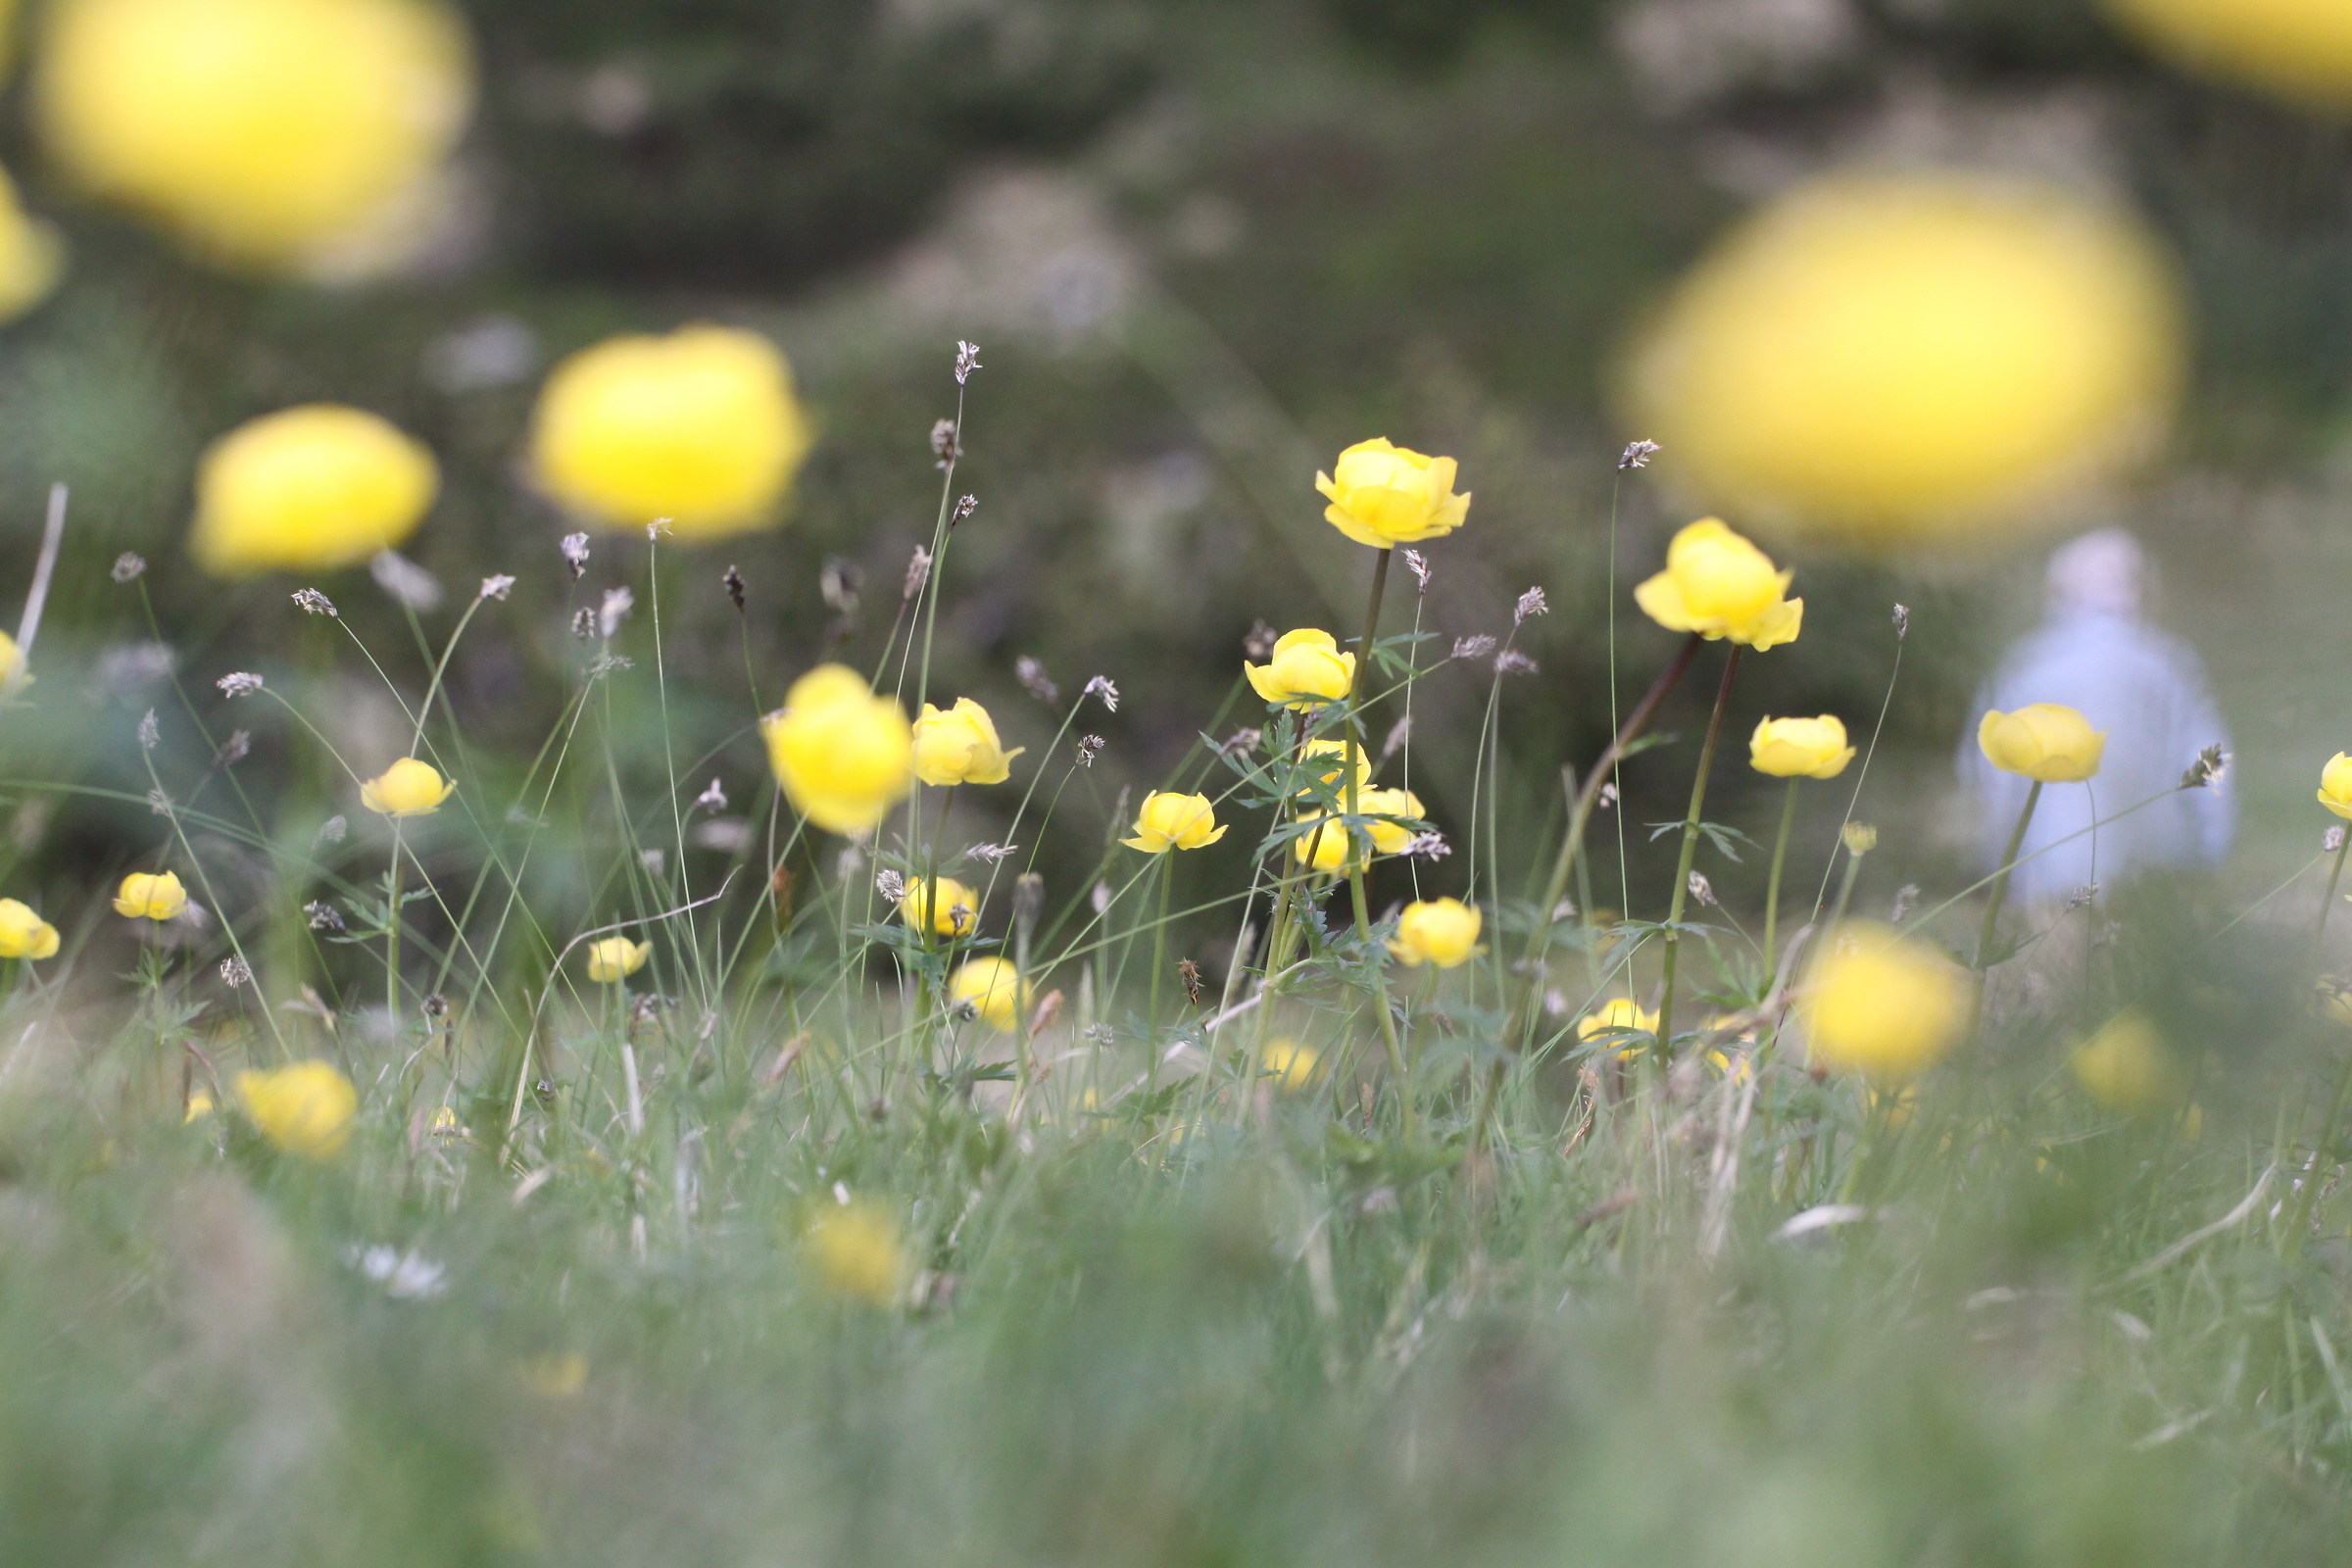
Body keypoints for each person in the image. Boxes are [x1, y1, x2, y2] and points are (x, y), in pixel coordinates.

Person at [1957, 528, 2231, 906]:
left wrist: (1995, 860)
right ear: (2143, 591)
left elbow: (1987, 772)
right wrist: (2210, 850)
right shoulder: (2167, 663)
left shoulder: (2027, 665)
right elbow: (2210, 760)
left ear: (2057, 593)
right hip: (2151, 869)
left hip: (2045, 871)